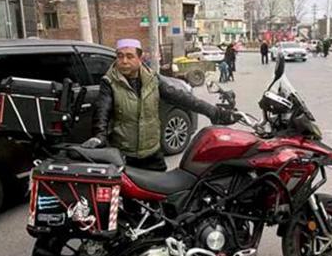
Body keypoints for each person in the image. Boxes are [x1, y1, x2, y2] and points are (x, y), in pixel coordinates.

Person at [87, 39, 236, 171]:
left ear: (140, 58)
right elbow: (102, 111)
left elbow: (182, 98)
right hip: (125, 156)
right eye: (120, 56)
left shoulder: (152, 79)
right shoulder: (109, 82)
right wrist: (99, 136)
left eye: (129, 56)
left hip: (153, 154)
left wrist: (214, 112)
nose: (124, 61)